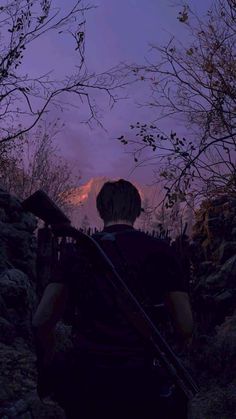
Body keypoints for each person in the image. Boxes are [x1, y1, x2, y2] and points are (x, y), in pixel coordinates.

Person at [32, 179, 194, 419]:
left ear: (100, 210)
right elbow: (185, 326)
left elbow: (41, 321)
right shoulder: (161, 251)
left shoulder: (77, 251)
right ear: (137, 210)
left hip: (86, 380)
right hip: (143, 380)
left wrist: (49, 359)